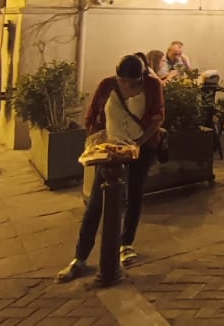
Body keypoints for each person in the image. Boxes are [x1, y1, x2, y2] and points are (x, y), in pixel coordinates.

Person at [56, 54, 164, 283]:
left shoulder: (152, 86)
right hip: (110, 150)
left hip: (140, 147)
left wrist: (140, 143)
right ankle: (80, 257)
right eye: (122, 80)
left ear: (141, 77)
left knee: (133, 195)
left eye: (132, 82)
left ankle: (126, 243)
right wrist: (97, 143)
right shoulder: (107, 85)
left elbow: (157, 118)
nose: (126, 85)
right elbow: (92, 116)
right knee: (96, 202)